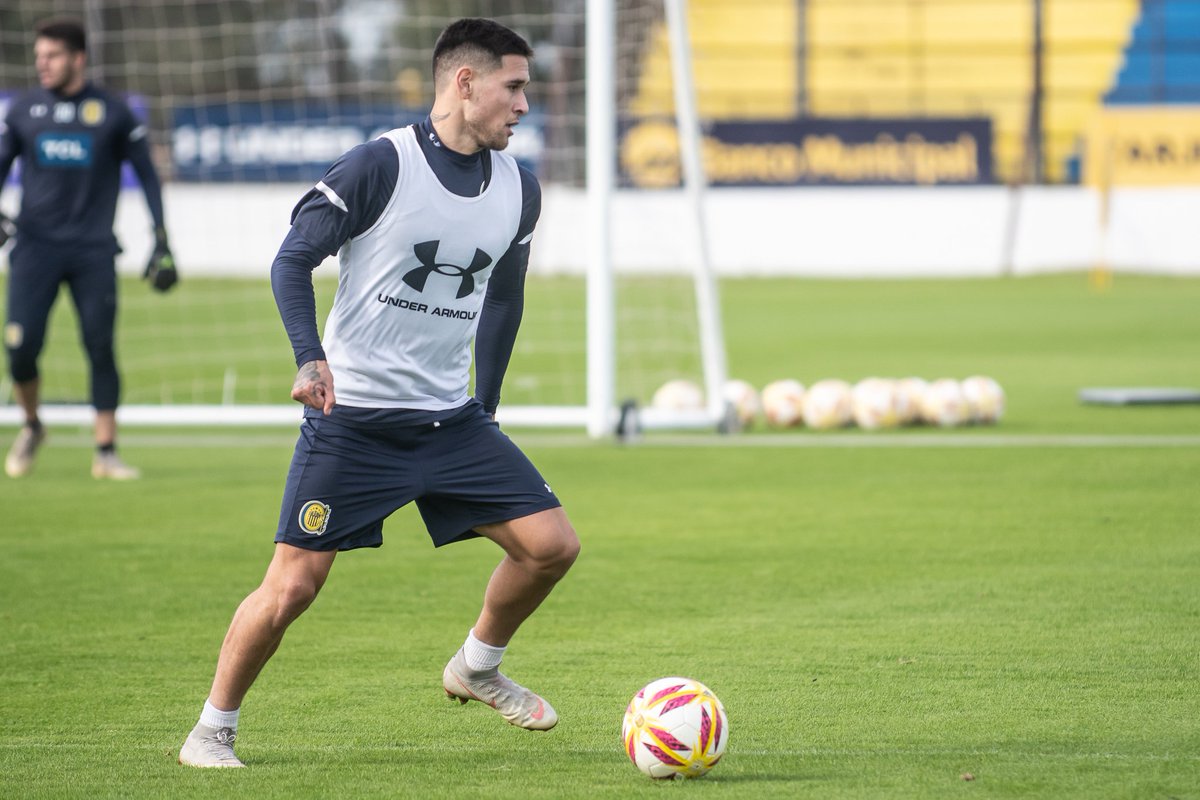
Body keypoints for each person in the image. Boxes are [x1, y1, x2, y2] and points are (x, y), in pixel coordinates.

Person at [179, 18, 580, 768]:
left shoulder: (520, 188)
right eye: (515, 87)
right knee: (293, 586)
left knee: (551, 547)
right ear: (466, 82)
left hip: (450, 424)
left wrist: (484, 408)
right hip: (354, 423)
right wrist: (310, 360)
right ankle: (212, 729)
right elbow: (291, 259)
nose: (525, 104)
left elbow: (503, 299)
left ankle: (477, 667)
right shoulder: (379, 165)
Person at [1, 17, 177, 481]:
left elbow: (148, 177)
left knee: (99, 347)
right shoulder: (22, 111)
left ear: (78, 58)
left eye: (52, 56)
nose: (42, 64)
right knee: (19, 349)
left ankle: (106, 451)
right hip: (34, 249)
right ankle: (34, 425)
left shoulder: (113, 112)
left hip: (93, 251)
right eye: (38, 56)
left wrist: (161, 239)